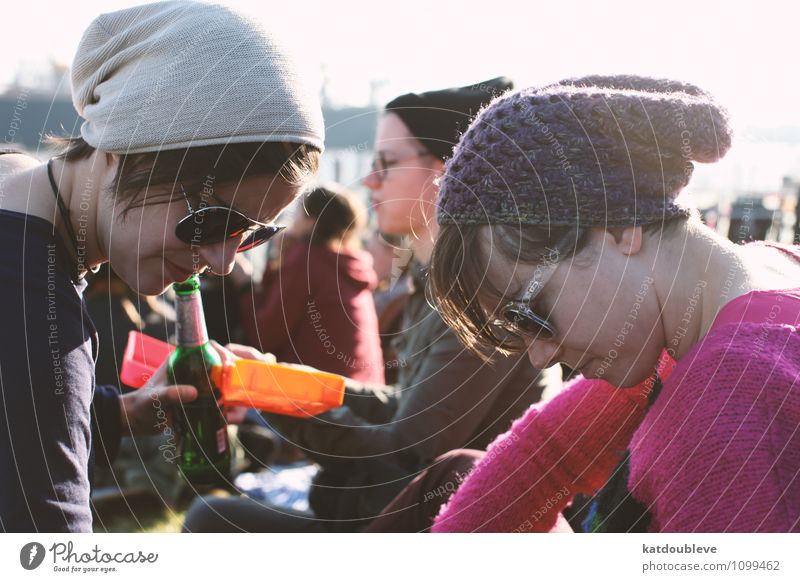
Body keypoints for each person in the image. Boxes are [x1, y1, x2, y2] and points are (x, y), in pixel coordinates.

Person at [422, 75, 800, 532]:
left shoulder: (723, 399)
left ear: (623, 227)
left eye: (531, 312)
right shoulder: (757, 284)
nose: (541, 356)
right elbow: (545, 452)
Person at [182, 78, 561, 532]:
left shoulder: (483, 297)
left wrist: (279, 399)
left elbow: (407, 450)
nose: (370, 179)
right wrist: (270, 380)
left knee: (212, 520)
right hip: (416, 514)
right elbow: (399, 406)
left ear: (449, 170)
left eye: (386, 162)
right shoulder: (446, 287)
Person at [0, 1, 323, 532]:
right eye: (214, 220)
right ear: (129, 148)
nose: (222, 263)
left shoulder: (16, 190)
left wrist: (118, 414)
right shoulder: (36, 315)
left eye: (252, 235)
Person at [238, 184, 385, 383]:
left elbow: (264, 334)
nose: (290, 220)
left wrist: (245, 284)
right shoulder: (351, 263)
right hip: (364, 391)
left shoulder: (306, 261)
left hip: (321, 397)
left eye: (297, 211)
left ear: (311, 222)